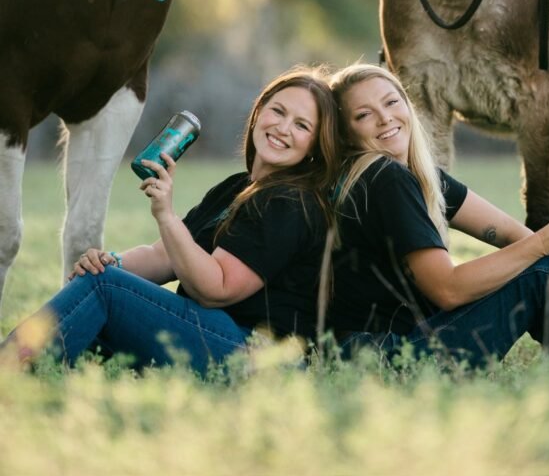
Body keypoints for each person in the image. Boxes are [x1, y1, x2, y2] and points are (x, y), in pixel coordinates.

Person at [1, 67, 339, 375]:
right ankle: (24, 372)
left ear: (314, 144)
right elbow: (163, 256)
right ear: (258, 113)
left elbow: (216, 289)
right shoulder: (236, 188)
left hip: (255, 354)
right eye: (278, 111)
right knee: (97, 286)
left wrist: (165, 214)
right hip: (212, 334)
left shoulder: (290, 203)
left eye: (302, 125)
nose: (283, 128)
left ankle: (7, 367)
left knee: (102, 289)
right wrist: (107, 263)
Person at [327, 63, 549, 369]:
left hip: (396, 345)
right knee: (541, 275)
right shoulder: (385, 178)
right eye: (364, 115)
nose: (385, 118)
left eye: (391, 102)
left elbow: (507, 232)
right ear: (346, 135)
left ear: (406, 105)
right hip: (386, 356)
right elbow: (447, 289)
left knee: (543, 270)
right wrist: (545, 244)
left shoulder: (415, 176)